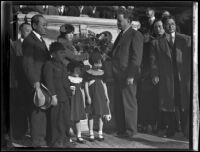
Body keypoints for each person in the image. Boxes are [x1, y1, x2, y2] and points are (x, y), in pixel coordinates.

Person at [150, 15, 191, 138]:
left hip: (182, 77)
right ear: (164, 26)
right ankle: (171, 130)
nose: (170, 26)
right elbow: (153, 61)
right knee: (169, 104)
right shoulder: (156, 43)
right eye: (168, 24)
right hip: (167, 78)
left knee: (184, 103)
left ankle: (187, 131)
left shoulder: (184, 39)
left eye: (173, 23)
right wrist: (155, 74)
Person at [111, 9, 143, 138]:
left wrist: (131, 75)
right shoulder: (121, 35)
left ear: (128, 21)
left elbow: (136, 58)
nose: (117, 23)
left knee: (129, 103)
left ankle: (130, 131)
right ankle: (121, 130)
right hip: (118, 75)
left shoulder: (136, 35)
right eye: (117, 20)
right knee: (119, 103)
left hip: (128, 76)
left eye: (120, 20)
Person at [22, 14, 51, 147]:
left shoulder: (40, 40)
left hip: (42, 81)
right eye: (43, 25)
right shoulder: (30, 40)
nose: (46, 27)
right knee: (37, 112)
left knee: (41, 112)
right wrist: (35, 83)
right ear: (34, 25)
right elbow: (28, 63)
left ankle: (41, 139)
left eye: (46, 24)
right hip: (36, 83)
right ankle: (37, 141)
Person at [43, 42, 75, 148]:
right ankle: (56, 142)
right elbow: (49, 81)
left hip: (64, 97)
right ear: (53, 54)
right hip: (56, 97)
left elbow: (65, 81)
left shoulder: (62, 65)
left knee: (66, 119)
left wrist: (70, 91)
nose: (63, 55)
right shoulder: (49, 64)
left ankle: (65, 140)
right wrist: (53, 96)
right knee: (56, 120)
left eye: (63, 53)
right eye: (60, 53)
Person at [10, 22, 32, 140]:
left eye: (30, 30)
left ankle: (33, 131)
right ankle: (20, 132)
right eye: (27, 30)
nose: (29, 33)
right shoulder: (14, 45)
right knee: (20, 108)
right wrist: (14, 80)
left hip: (33, 82)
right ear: (21, 32)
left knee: (33, 108)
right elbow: (12, 65)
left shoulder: (36, 45)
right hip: (19, 82)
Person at [84, 50, 111, 142]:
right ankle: (91, 132)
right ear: (93, 62)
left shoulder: (102, 72)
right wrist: (88, 96)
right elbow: (86, 85)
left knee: (100, 115)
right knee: (91, 114)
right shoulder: (88, 72)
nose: (100, 64)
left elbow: (104, 85)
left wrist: (107, 96)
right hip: (92, 96)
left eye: (100, 62)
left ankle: (100, 132)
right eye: (97, 62)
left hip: (100, 96)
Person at [137, 27, 158, 134]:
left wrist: (151, 74)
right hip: (141, 77)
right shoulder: (139, 45)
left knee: (152, 101)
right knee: (142, 101)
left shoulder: (152, 44)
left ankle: (153, 124)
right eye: (142, 35)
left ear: (149, 35)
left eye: (146, 34)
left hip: (151, 77)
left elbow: (154, 61)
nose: (144, 37)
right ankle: (144, 124)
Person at [67, 61, 87, 144]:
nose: (78, 71)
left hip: (78, 101)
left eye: (79, 69)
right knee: (70, 119)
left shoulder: (80, 80)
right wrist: (69, 88)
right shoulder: (68, 79)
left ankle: (79, 135)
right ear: (71, 70)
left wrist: (84, 102)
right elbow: (66, 89)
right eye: (76, 69)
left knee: (77, 118)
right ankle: (69, 137)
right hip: (71, 101)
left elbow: (82, 91)